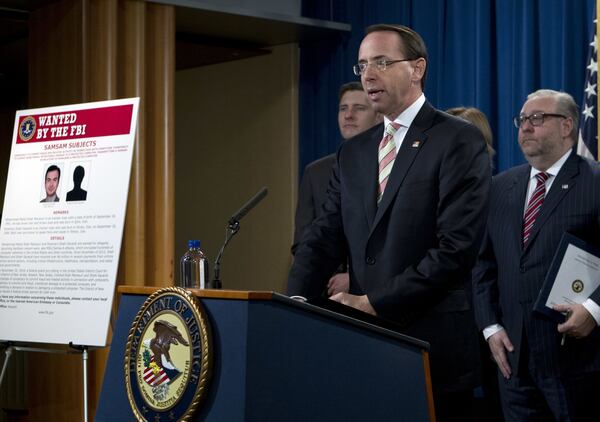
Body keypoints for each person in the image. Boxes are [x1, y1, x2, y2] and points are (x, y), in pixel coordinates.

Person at [288, 24, 491, 420]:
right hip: (363, 349)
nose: (367, 75)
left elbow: (455, 250)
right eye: (362, 64)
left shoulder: (457, 140)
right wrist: (295, 301)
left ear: (416, 69)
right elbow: (323, 235)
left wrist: (375, 302)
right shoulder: (354, 152)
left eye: (381, 62)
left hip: (431, 348)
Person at [472, 89, 600, 420]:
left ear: (567, 126)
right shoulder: (501, 187)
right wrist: (490, 327)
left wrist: (594, 309)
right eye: (522, 120)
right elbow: (483, 265)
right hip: (512, 360)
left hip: (577, 361)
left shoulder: (595, 181)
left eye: (538, 118)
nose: (526, 127)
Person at [292, 81, 382, 296]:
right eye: (343, 109)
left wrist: (354, 278)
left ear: (379, 116)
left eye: (359, 108)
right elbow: (304, 240)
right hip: (326, 292)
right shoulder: (316, 171)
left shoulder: (392, 163)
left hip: (376, 293)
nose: (348, 115)